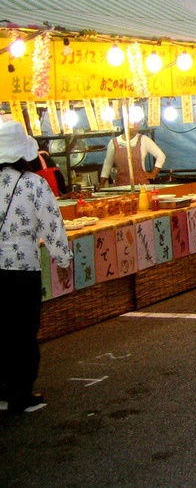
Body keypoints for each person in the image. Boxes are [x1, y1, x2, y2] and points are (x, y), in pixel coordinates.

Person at [0, 121, 73, 414]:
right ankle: (21, 393)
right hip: (22, 269)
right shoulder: (33, 184)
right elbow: (52, 225)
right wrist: (64, 260)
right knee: (22, 331)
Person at [99, 123, 166, 188]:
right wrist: (101, 184)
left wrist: (153, 174)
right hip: (121, 187)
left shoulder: (143, 139)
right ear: (125, 123)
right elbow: (107, 164)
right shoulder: (114, 142)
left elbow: (161, 156)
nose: (136, 127)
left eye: (138, 124)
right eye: (133, 124)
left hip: (141, 186)